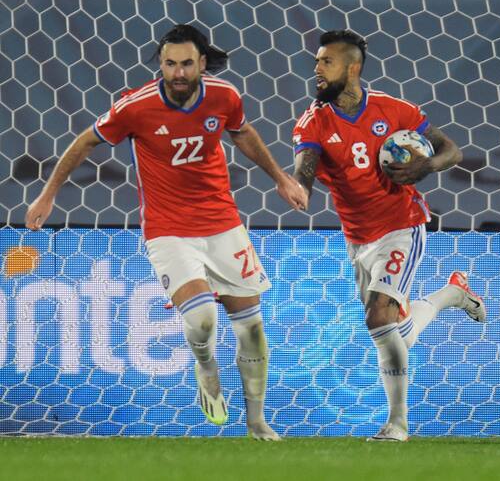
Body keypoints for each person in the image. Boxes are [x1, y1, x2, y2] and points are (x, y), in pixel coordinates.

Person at [25, 24, 308, 441]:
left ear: (202, 64)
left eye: (186, 64)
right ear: (160, 64)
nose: (178, 73)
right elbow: (85, 143)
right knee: (203, 319)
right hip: (168, 229)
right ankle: (206, 370)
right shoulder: (134, 107)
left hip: (223, 224)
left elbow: (243, 133)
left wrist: (281, 179)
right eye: (170, 64)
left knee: (250, 328)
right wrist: (48, 195)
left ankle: (256, 421)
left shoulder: (223, 96)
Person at [292, 30, 486, 442]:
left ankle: (397, 423)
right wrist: (296, 187)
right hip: (358, 238)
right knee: (393, 332)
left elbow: (452, 150)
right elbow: (304, 169)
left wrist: (426, 166)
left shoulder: (394, 110)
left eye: (326, 62)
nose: (318, 70)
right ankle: (449, 295)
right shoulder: (313, 121)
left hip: (402, 224)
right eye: (316, 62)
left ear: (353, 67)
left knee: (379, 316)